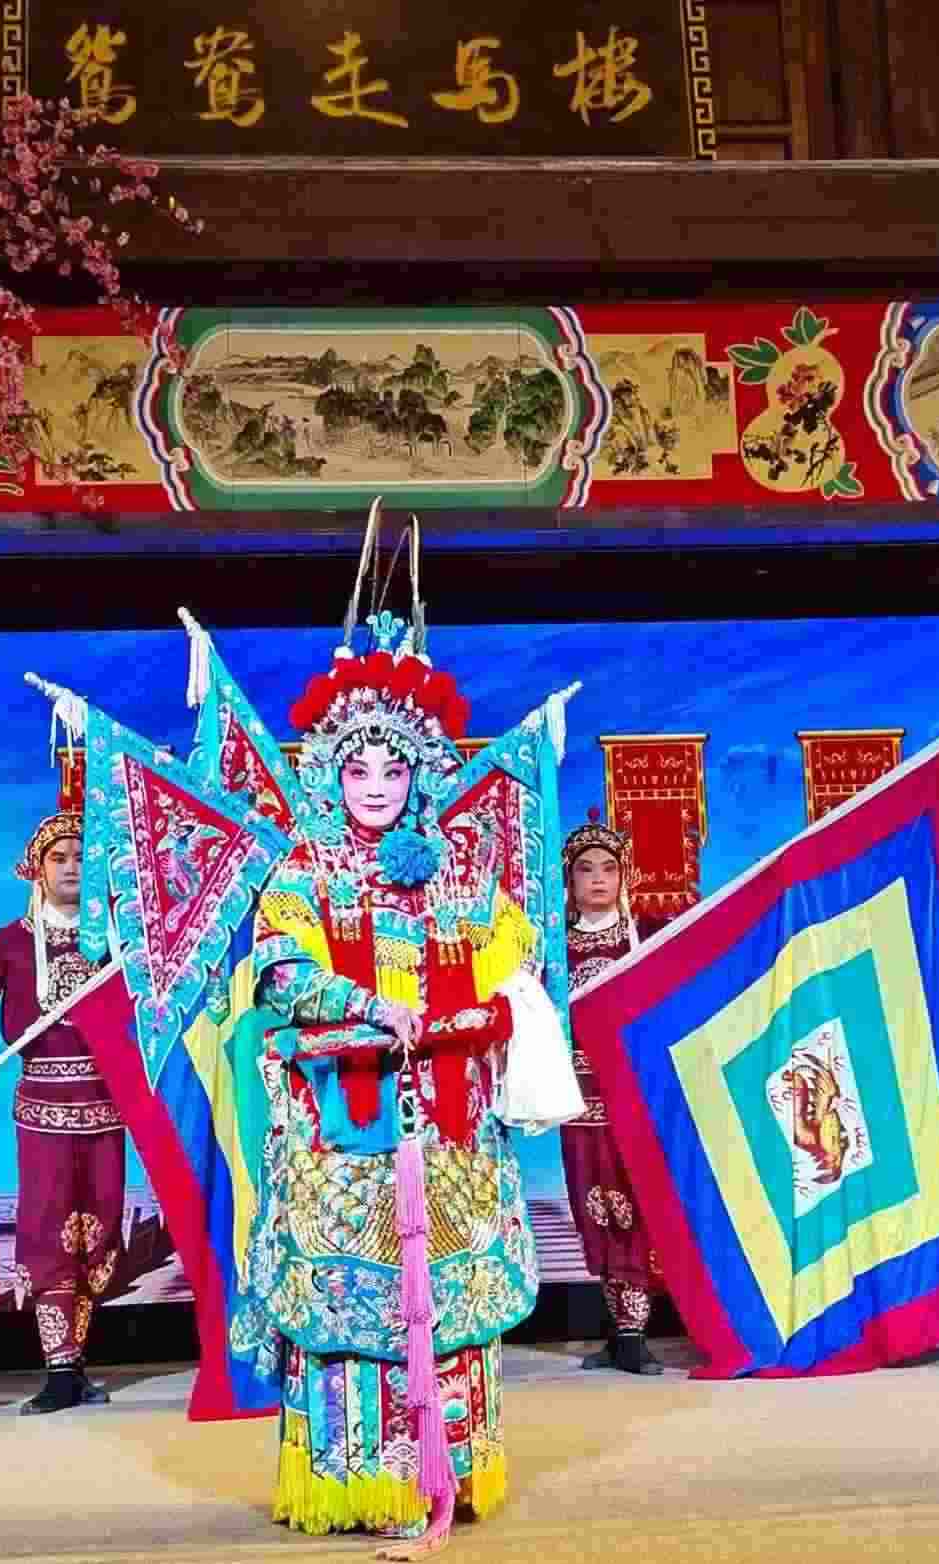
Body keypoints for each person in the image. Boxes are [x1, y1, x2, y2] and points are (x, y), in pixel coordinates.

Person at [229, 606, 578, 1561]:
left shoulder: (462, 878)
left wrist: (487, 1013)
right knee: (352, 1309)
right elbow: (278, 974)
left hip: (452, 1129)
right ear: (330, 775)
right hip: (344, 1137)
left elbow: (514, 968)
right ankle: (355, 1480)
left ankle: (450, 1474)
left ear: (421, 774)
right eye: (358, 770)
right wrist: (366, 1005)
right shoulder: (303, 872)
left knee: (453, 1307)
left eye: (394, 769)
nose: (377, 787)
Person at [0, 810, 122, 1415]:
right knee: (46, 1233)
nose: (71, 868)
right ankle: (59, 1371)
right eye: (58, 858)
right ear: (37, 869)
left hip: (108, 1109)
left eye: (81, 857)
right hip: (42, 1111)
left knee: (99, 1234)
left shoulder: (117, 942)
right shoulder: (9, 944)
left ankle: (76, 1365)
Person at [559, 809, 667, 1374]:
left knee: (636, 1211)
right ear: (569, 880)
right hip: (578, 1100)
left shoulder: (645, 938)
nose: (598, 878)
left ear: (623, 876)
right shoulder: (554, 950)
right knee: (594, 1211)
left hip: (634, 1098)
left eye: (608, 867)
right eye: (586, 869)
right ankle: (619, 1331)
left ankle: (635, 1334)